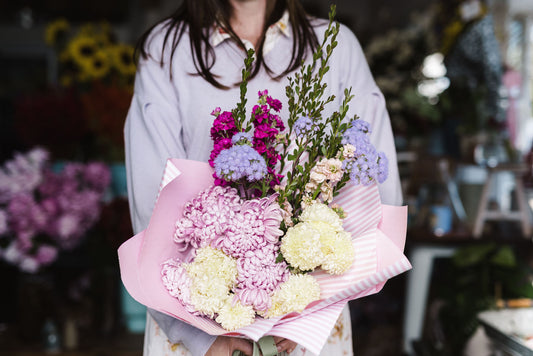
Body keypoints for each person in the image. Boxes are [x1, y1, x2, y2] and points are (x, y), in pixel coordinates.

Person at [124, 0, 402, 355]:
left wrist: (308, 312)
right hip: (197, 321)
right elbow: (153, 198)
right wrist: (201, 335)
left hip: (306, 324)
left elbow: (376, 184)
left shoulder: (335, 45)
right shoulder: (167, 50)